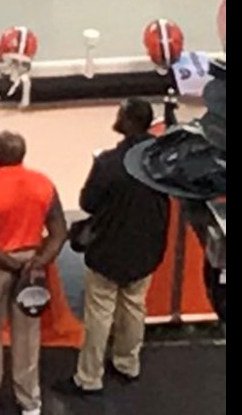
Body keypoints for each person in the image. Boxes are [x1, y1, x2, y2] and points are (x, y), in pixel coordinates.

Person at [61, 100, 168, 398]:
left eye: (121, 114)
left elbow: (87, 203)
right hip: (147, 249)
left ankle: (89, 377)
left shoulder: (109, 162)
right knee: (134, 305)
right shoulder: (162, 159)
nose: (117, 117)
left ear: (130, 122)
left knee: (100, 312)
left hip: (109, 251)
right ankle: (127, 363)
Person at [0, 131, 70, 415]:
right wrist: (38, 262)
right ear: (23, 154)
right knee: (28, 334)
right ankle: (30, 402)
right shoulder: (44, 184)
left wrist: (13, 265)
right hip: (32, 263)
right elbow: (59, 231)